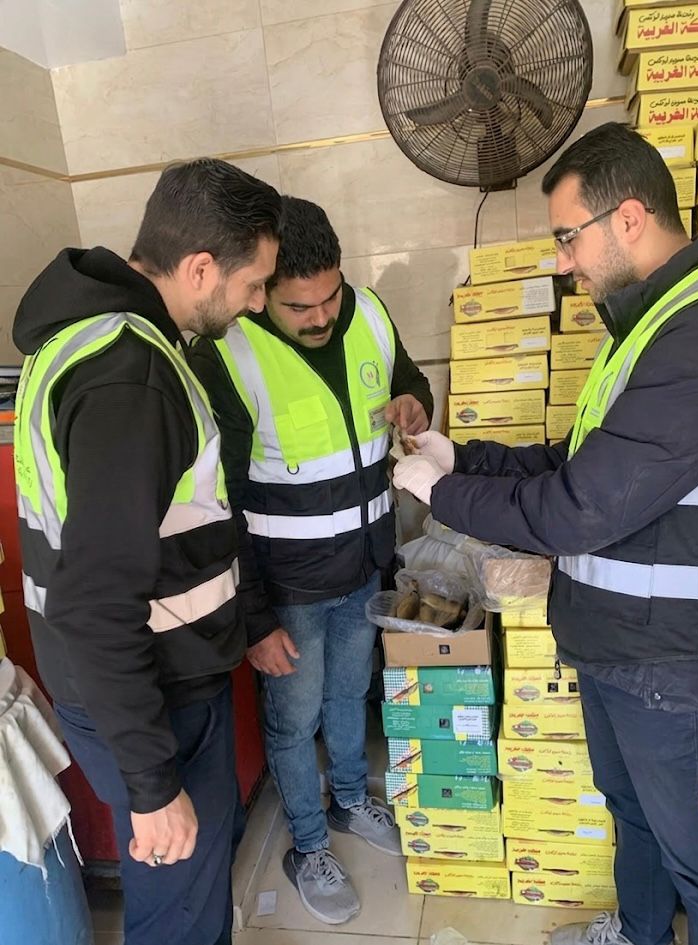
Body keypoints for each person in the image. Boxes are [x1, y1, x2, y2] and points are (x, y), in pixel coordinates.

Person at [392, 122, 698, 945]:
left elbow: (579, 508)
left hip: (683, 668)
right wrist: (465, 456)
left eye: (568, 236)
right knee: (634, 812)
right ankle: (638, 933)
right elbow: (574, 461)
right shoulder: (651, 323)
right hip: (627, 650)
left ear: (628, 217)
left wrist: (446, 495)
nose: (562, 261)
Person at [12, 159, 282, 945]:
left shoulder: (93, 337)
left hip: (139, 687)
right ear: (200, 268)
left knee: (187, 892)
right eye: (253, 283)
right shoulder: (130, 375)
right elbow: (97, 603)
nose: (256, 303)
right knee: (179, 911)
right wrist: (153, 783)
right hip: (150, 699)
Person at [190, 196, 432, 925]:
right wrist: (255, 619)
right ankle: (306, 843)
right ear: (261, 289)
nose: (323, 316)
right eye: (300, 306)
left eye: (331, 295)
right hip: (287, 587)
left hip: (364, 565)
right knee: (294, 720)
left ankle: (350, 800)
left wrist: (413, 403)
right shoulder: (228, 353)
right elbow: (219, 504)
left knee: (349, 695)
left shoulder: (369, 313)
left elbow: (410, 379)